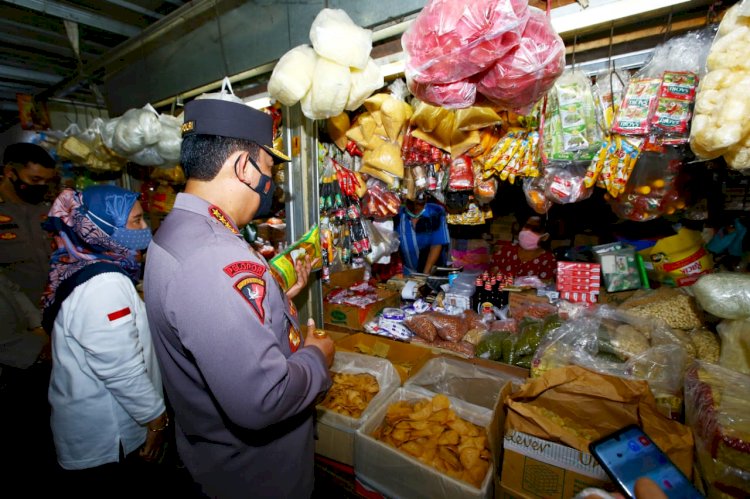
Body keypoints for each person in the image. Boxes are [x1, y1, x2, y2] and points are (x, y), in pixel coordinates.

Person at [143, 97, 334, 499]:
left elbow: (212, 317)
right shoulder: (213, 256)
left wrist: (276, 299)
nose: (273, 184)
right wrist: (318, 357)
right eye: (269, 169)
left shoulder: (178, 231)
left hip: (217, 462)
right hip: (256, 478)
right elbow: (263, 399)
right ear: (243, 167)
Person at [41, 185, 167, 496]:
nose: (145, 229)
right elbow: (121, 369)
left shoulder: (81, 263)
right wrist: (156, 420)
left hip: (95, 427)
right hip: (110, 439)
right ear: (101, 227)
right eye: (135, 221)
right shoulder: (104, 284)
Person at [0, 142, 58, 304]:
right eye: (35, 179)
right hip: (14, 317)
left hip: (56, 307)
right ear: (10, 172)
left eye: (46, 181)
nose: (41, 186)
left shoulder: (48, 210)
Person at [396, 191, 450, 274]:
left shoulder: (436, 211)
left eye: (419, 203)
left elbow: (436, 245)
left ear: (426, 198)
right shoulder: (399, 214)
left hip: (432, 272)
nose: (415, 207)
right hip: (407, 272)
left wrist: (425, 275)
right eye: (411, 203)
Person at [491, 215, 557, 280]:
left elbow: (547, 286)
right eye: (527, 226)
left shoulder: (548, 260)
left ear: (545, 237)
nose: (528, 231)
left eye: (536, 229)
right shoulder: (506, 251)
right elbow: (490, 275)